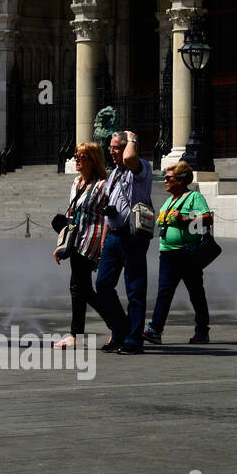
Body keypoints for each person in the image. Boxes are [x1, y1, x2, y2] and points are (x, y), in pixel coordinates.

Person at [95, 130, 155, 354]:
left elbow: (130, 158)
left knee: (135, 288)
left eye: (116, 147)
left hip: (133, 236)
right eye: (110, 148)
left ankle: (134, 339)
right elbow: (107, 213)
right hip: (113, 235)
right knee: (102, 285)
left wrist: (132, 138)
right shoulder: (113, 175)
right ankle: (121, 329)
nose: (112, 152)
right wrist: (103, 241)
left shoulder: (141, 168)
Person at [145, 161, 214, 346]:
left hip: (188, 254)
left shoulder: (194, 197)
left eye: (168, 178)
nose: (165, 181)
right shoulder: (169, 201)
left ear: (180, 180)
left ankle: (202, 331)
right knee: (164, 293)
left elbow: (207, 218)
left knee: (196, 293)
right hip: (168, 254)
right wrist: (161, 248)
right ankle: (155, 330)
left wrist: (185, 218)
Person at [52, 143, 112, 350]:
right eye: (76, 155)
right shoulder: (76, 183)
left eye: (82, 156)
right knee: (83, 289)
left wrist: (103, 243)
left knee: (79, 288)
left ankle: (75, 335)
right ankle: (119, 325)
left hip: (91, 240)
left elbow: (108, 217)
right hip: (76, 240)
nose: (77, 159)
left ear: (93, 160)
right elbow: (71, 216)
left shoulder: (103, 185)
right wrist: (62, 245)